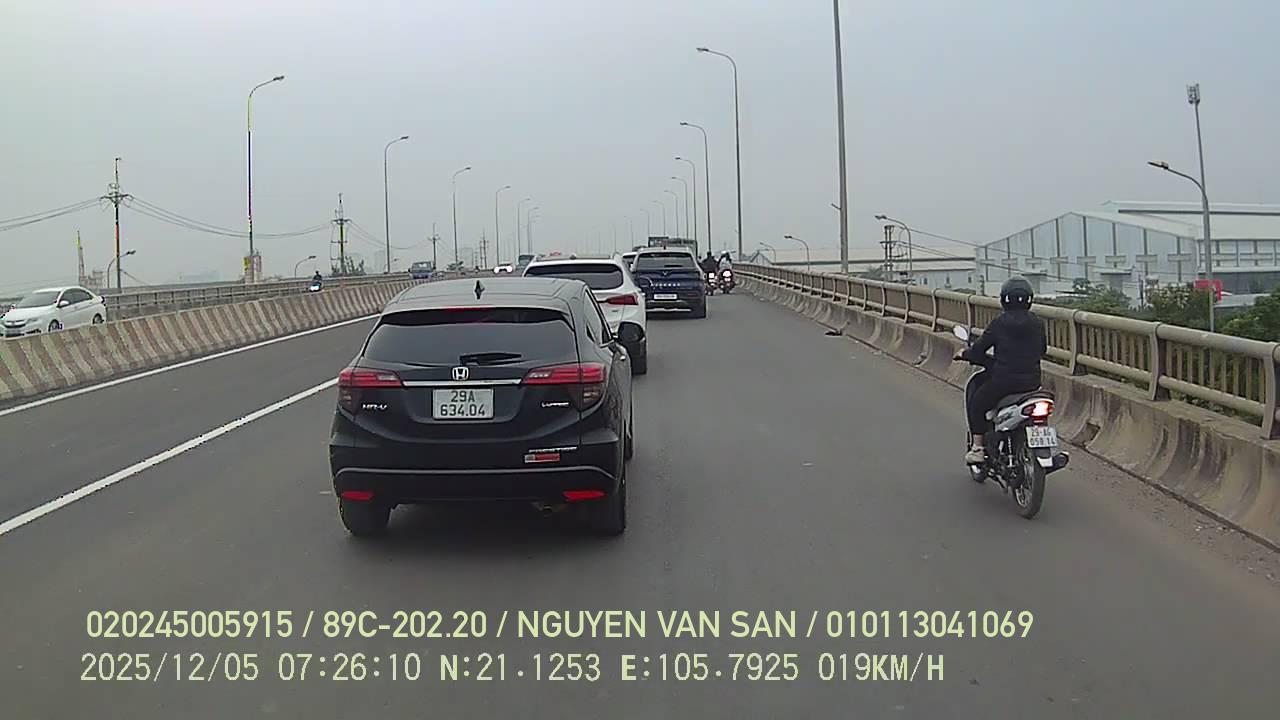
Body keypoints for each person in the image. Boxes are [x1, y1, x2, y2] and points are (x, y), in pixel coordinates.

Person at [957, 276, 1046, 464]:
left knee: (977, 403)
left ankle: (978, 448)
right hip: (1032, 383)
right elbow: (1042, 350)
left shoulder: (999, 323)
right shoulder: (1038, 323)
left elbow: (979, 349)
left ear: (1004, 299)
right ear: (1029, 299)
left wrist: (965, 353)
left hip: (1004, 383)